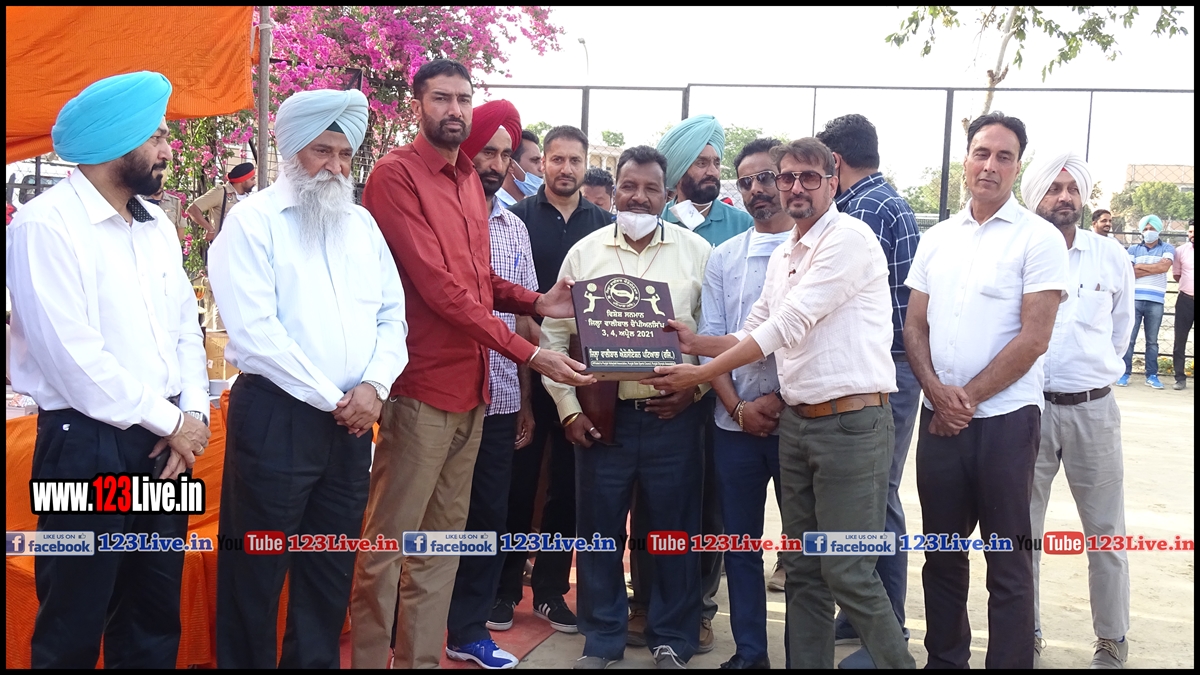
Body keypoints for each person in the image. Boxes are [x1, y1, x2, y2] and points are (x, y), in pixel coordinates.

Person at [349, 58, 590, 670]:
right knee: (390, 545)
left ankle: (421, 661)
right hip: (420, 387)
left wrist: (536, 301)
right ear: (417, 104)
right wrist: (531, 351)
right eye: (441, 98)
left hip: (475, 389)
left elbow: (478, 280)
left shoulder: (467, 182)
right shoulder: (395, 176)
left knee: (440, 548)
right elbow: (439, 289)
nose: (453, 109)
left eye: (462, 98)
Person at [642, 137, 914, 670]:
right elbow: (753, 328)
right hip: (800, 424)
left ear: (832, 180)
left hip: (852, 425)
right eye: (787, 176)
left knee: (847, 570)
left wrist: (700, 372)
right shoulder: (787, 251)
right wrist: (696, 342)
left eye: (808, 177)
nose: (794, 188)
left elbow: (787, 326)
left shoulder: (849, 239)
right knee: (805, 571)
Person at [6, 70, 211, 668]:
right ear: (116, 141)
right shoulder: (46, 225)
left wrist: (193, 414)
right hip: (84, 446)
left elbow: (186, 330)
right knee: (73, 617)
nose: (169, 149)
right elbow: (73, 359)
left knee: (152, 615)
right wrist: (172, 423)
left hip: (165, 445)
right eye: (158, 136)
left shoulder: (158, 226)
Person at [207, 88, 408, 668]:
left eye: (345, 155)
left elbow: (392, 315)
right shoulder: (251, 223)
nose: (336, 167)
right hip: (279, 416)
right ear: (291, 149)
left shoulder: (362, 225)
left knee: (328, 568)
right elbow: (257, 334)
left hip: (352, 424)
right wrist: (337, 399)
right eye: (323, 151)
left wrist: (374, 387)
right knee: (256, 570)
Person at [904, 112, 1069, 669]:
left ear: (1018, 166)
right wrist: (936, 392)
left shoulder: (1039, 239)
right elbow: (914, 325)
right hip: (939, 422)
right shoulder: (937, 238)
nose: (990, 165)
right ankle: (945, 659)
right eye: (982, 152)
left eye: (1004, 156)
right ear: (966, 160)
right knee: (942, 555)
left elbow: (1034, 338)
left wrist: (965, 399)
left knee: (1008, 560)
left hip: (1005, 422)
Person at [541, 145, 712, 669]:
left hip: (672, 417)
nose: (639, 197)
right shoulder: (585, 253)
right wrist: (569, 409)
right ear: (614, 191)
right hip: (601, 418)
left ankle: (673, 637)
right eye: (629, 186)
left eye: (651, 188)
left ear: (668, 194)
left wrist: (696, 390)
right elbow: (553, 337)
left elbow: (715, 335)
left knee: (673, 534)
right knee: (598, 534)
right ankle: (602, 638)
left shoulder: (697, 253)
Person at [1020, 151, 1135, 669]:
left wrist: (1091, 373)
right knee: (1022, 534)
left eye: (1072, 188)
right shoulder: (1019, 251)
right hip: (1028, 411)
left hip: (1094, 410)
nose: (1064, 197)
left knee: (1106, 533)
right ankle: (1026, 633)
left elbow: (1121, 332)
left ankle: (1112, 639)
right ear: (1035, 195)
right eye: (1054, 187)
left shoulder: (1109, 256)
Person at [497, 125, 611, 639]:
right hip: (522, 369)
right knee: (517, 485)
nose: (566, 169)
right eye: (557, 159)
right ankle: (502, 590)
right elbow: (514, 300)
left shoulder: (604, 227)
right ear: (541, 163)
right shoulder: (517, 219)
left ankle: (549, 590)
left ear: (586, 165)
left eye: (575, 160)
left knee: (567, 489)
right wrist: (533, 358)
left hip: (579, 377)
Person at [816, 113, 922, 664]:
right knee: (872, 495)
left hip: (882, 373)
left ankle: (887, 625)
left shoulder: (861, 213)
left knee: (876, 495)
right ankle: (864, 614)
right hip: (891, 368)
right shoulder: (886, 202)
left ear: (834, 162)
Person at [648, 112, 754, 654]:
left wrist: (704, 385)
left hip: (720, 392)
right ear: (678, 169)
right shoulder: (650, 220)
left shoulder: (740, 226)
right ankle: (648, 605)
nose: (712, 170)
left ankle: (703, 610)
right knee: (656, 506)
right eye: (701, 161)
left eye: (716, 161)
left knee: (711, 508)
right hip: (655, 393)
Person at [443, 99, 539, 669]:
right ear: (466, 150)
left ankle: (468, 629)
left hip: (500, 398)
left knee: (485, 520)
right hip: (439, 395)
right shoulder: (436, 214)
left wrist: (526, 399)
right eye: (487, 151)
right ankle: (411, 625)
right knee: (432, 518)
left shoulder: (514, 227)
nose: (496, 163)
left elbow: (524, 318)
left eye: (506, 154)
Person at [699, 137, 792, 670]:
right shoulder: (724, 257)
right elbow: (711, 341)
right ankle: (750, 652)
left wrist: (777, 400)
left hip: (798, 421)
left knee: (802, 549)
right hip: (732, 425)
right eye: (748, 181)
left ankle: (802, 653)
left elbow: (813, 339)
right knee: (739, 544)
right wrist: (737, 408)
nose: (759, 189)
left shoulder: (812, 250)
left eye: (768, 177)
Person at [1116, 214, 1175, 389]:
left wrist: (1141, 266)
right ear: (1142, 231)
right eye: (1146, 229)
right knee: (1129, 339)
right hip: (1134, 299)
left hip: (1156, 300)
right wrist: (1154, 268)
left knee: (1152, 341)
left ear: (1159, 230)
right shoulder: (1133, 249)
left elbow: (1164, 267)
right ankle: (1125, 373)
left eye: (1152, 229)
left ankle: (1152, 375)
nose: (1149, 232)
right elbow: (1130, 272)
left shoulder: (1167, 247)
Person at [186, 161, 255, 241]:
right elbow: (193, 209)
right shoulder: (221, 192)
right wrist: (210, 230)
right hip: (223, 245)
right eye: (252, 179)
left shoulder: (249, 198)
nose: (255, 183)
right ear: (242, 180)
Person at [1172, 221, 1194, 390]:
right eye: (1190, 232)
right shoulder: (1180, 251)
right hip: (1185, 300)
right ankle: (1180, 377)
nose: (1192, 235)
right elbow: (1177, 275)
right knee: (1180, 340)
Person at [499, 129, 544, 206]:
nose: (542, 168)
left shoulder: (532, 207)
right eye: (535, 160)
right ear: (510, 165)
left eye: (541, 161)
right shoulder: (492, 207)